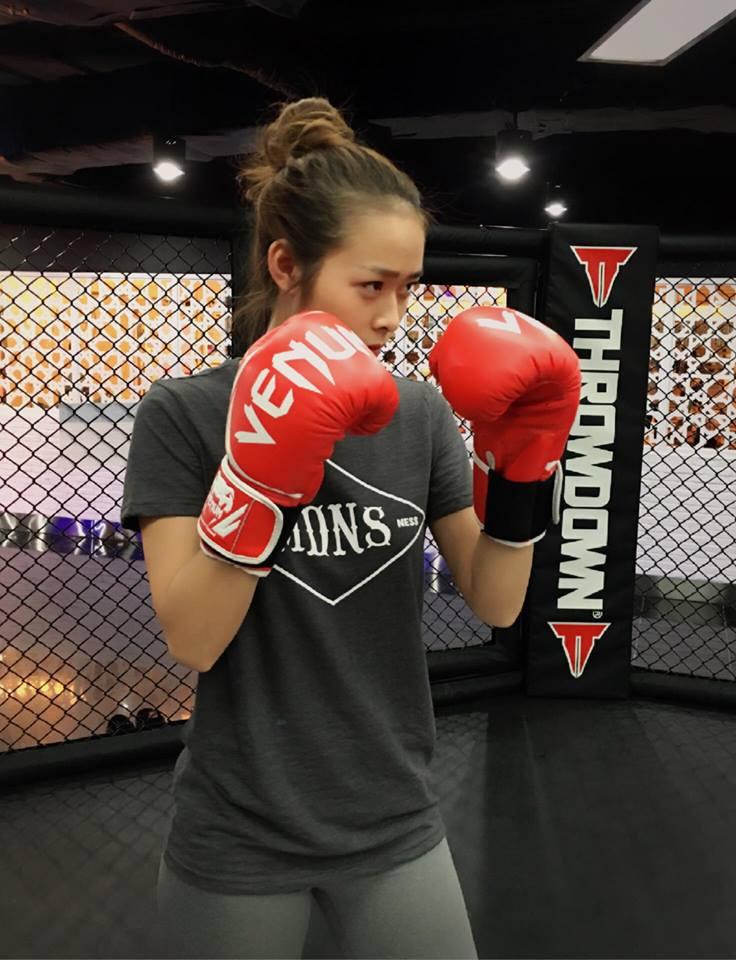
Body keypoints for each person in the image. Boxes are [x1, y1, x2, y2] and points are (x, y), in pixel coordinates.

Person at [121, 97, 580, 960]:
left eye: (408, 287)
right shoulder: (184, 413)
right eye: (371, 285)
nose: (393, 315)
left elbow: (496, 601)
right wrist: (260, 473)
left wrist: (523, 467)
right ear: (286, 263)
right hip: (242, 823)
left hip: (393, 812)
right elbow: (194, 638)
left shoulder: (417, 414)